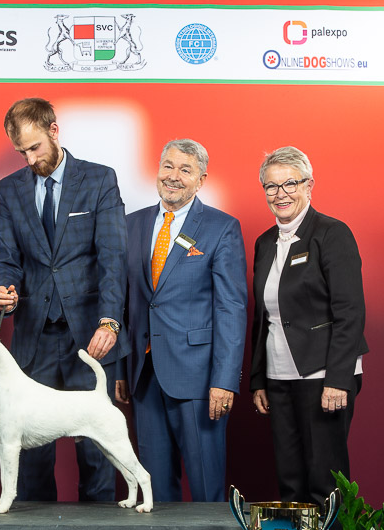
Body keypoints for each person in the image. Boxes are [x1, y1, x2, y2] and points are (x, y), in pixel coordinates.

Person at [0, 97, 129, 502]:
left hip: (90, 336)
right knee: (32, 461)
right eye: (22, 152)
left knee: (98, 455)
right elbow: (6, 257)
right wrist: (4, 285)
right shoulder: (8, 190)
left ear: (54, 131)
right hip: (33, 337)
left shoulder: (100, 179)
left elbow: (113, 257)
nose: (31, 159)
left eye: (35, 148)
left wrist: (110, 321)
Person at [116, 139, 247, 502]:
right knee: (154, 490)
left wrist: (224, 380)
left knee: (206, 486)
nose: (173, 176)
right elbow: (122, 302)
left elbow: (231, 309)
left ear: (201, 180)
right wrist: (121, 370)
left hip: (199, 380)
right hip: (144, 376)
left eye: (185, 170)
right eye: (168, 166)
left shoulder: (221, 227)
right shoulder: (131, 224)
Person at [250, 146, 367, 508]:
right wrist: (258, 379)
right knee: (290, 480)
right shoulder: (264, 242)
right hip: (278, 377)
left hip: (323, 375)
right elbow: (262, 318)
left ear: (309, 185)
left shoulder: (332, 233)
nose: (280, 194)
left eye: (290, 184)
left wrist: (338, 378)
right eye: (271, 186)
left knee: (324, 479)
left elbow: (350, 312)